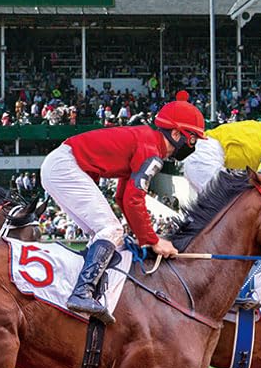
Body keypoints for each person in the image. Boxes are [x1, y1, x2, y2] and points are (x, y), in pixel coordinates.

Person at [39, 90, 205, 323]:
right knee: (112, 230)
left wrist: (145, 238)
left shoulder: (147, 141)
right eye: (193, 138)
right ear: (177, 134)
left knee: (105, 234)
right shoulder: (152, 150)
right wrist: (153, 240)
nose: (193, 145)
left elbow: (122, 197)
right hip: (65, 166)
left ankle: (82, 290)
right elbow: (132, 199)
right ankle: (81, 293)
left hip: (61, 164)